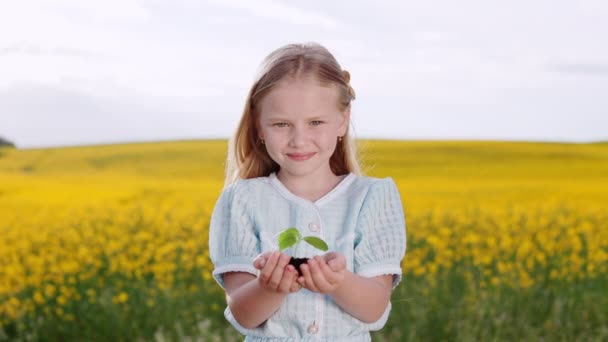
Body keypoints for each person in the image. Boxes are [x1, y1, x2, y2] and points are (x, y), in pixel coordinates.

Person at [208, 42, 407, 341]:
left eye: (315, 122)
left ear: (342, 120)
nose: (299, 140)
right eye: (281, 124)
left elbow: (375, 309)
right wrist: (268, 287)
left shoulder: (373, 198)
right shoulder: (241, 201)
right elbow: (242, 313)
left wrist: (338, 282)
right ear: (259, 127)